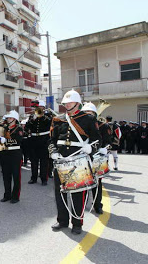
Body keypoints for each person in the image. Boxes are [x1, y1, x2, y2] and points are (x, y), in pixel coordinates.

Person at [50, 90, 101, 235]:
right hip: (61, 161)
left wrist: (90, 147)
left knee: (77, 193)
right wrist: (53, 151)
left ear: (77, 103)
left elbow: (98, 139)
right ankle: (62, 220)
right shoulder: (58, 119)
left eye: (70, 102)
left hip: (78, 161)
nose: (67, 105)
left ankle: (77, 222)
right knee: (60, 192)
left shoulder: (88, 119)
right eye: (65, 103)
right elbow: (51, 140)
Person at [81, 102, 110, 214]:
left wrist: (105, 148)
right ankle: (82, 205)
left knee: (97, 183)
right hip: (83, 157)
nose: (88, 114)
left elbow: (108, 141)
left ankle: (97, 205)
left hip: (97, 157)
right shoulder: (79, 125)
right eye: (85, 112)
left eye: (90, 112)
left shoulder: (103, 125)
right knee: (83, 183)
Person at [0, 110, 23, 203]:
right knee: (6, 176)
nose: (8, 119)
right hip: (5, 154)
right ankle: (7, 195)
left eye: (10, 118)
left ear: (15, 119)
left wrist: (7, 141)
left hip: (15, 154)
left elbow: (18, 140)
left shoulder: (18, 129)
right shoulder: (5, 128)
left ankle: (15, 196)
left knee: (16, 176)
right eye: (8, 118)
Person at [25, 100, 52, 185]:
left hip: (44, 140)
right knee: (34, 160)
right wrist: (32, 119)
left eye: (40, 107)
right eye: (37, 107)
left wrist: (42, 116)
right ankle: (34, 178)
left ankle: (44, 179)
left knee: (44, 161)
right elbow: (26, 127)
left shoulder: (48, 116)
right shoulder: (32, 116)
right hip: (33, 140)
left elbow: (49, 123)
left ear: (43, 108)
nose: (38, 109)